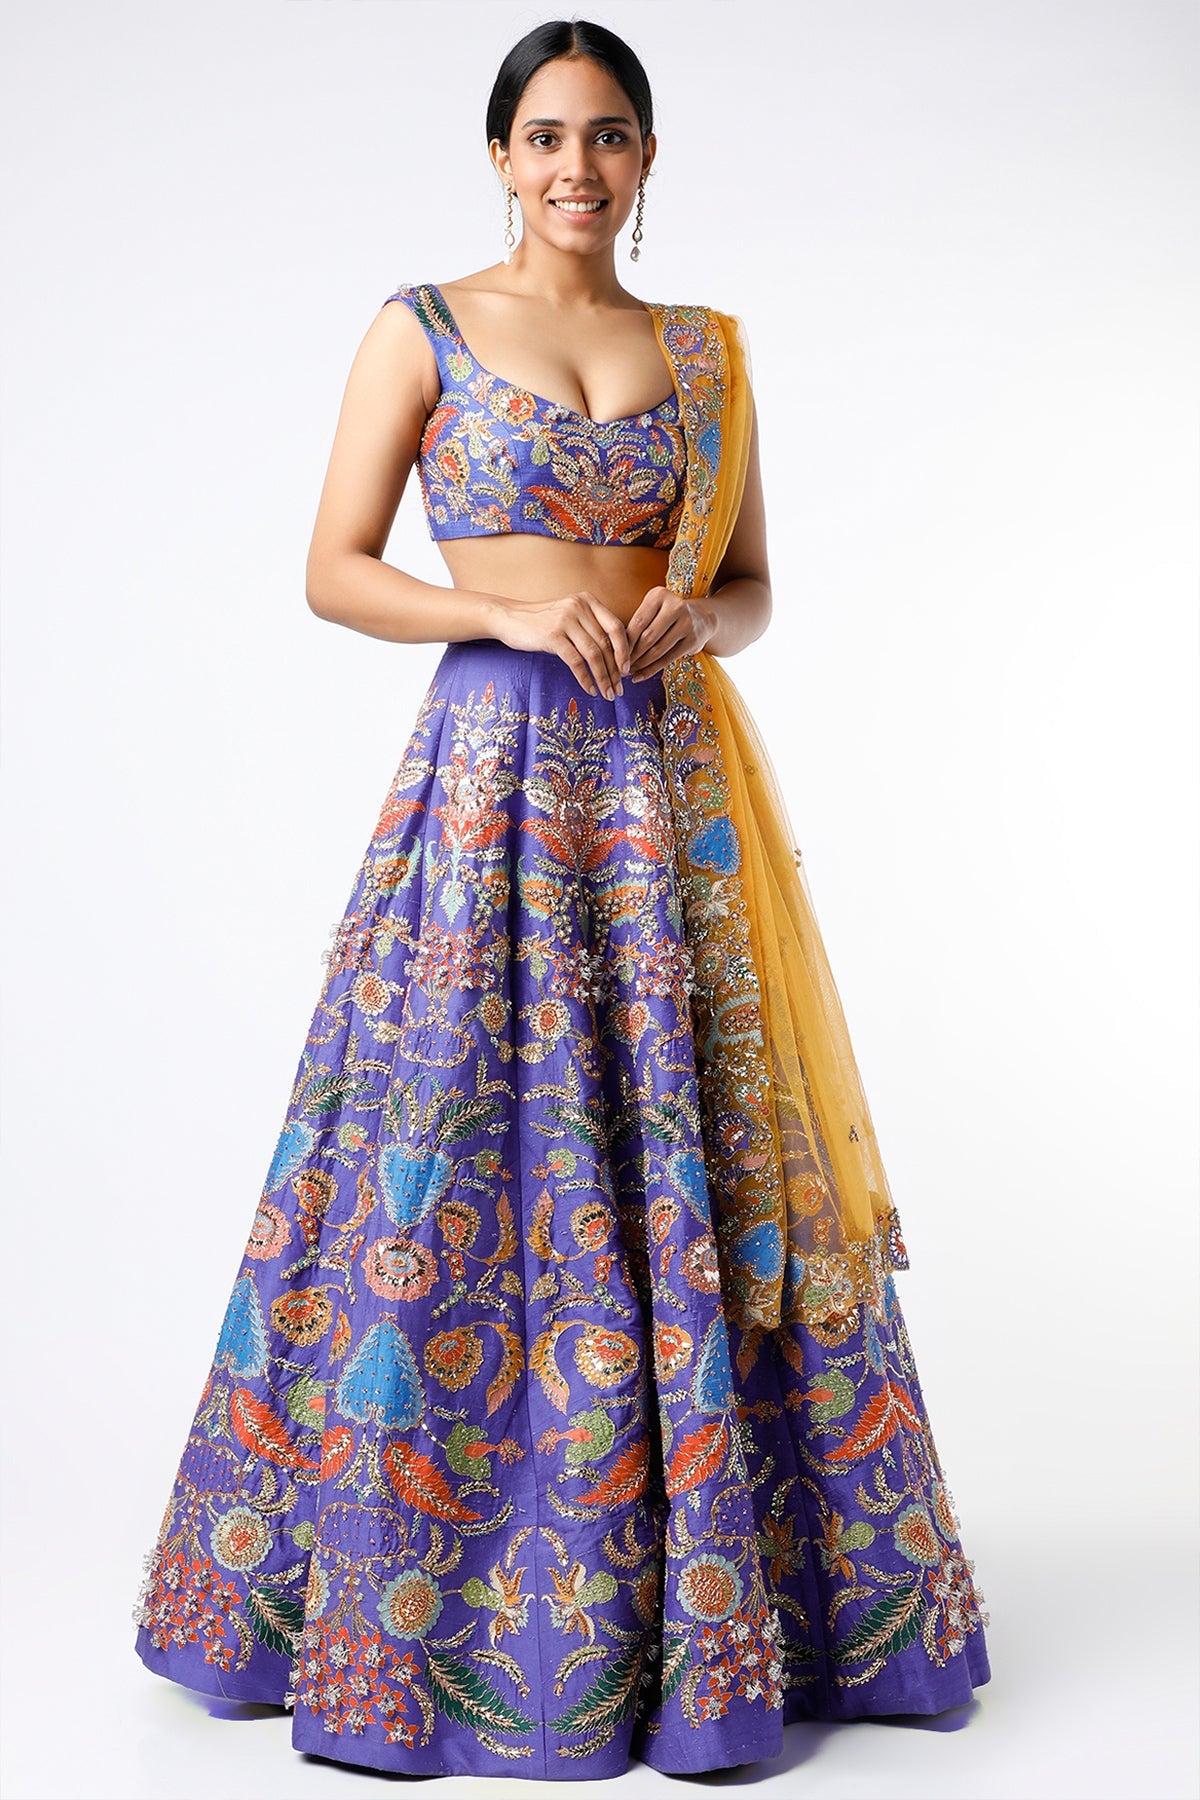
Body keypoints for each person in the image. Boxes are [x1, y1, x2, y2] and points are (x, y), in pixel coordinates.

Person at [132, 17, 991, 1782]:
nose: (575, 168)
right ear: (500, 158)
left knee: (682, 1142)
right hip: (491, 781)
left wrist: (696, 617)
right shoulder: (424, 328)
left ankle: (733, 1611)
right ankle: (419, 1608)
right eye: (544, 137)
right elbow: (334, 571)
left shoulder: (706, 350)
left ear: (647, 157)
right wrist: (502, 613)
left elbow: (753, 585)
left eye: (607, 136)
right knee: (445, 1142)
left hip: (666, 794)